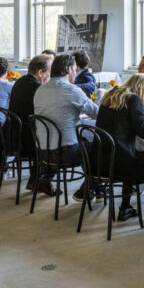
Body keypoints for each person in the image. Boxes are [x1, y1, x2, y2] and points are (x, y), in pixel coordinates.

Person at [95, 73, 144, 223]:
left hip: (100, 161)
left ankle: (125, 208)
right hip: (120, 166)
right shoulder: (134, 100)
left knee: (133, 153)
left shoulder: (110, 96)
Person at [33, 53, 100, 200]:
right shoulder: (72, 90)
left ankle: (45, 178)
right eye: (75, 69)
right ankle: (89, 188)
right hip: (64, 154)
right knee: (97, 147)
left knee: (83, 142)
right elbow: (97, 114)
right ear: (69, 70)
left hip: (42, 152)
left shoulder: (40, 90)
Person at [10, 54, 55, 196]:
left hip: (14, 133)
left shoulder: (20, 81)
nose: (51, 76)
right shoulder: (37, 88)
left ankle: (35, 180)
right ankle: (42, 180)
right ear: (41, 73)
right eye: (50, 72)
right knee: (57, 145)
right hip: (27, 138)